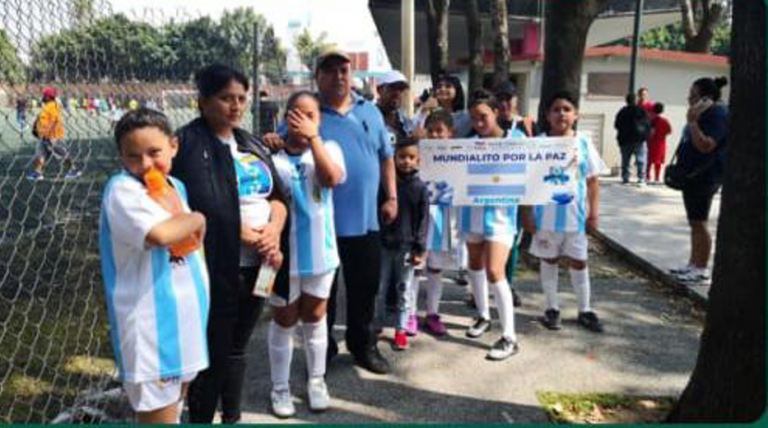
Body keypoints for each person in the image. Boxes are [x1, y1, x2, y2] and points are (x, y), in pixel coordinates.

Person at [172, 64, 290, 423]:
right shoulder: (187, 145)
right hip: (215, 267)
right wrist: (236, 231)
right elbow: (185, 204)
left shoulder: (250, 142)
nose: (236, 106)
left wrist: (273, 230)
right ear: (203, 101)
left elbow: (280, 198)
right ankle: (202, 417)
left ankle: (233, 415)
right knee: (211, 348)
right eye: (226, 98)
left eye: (241, 98)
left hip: (262, 264)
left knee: (239, 343)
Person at [99, 108, 209, 424]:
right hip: (153, 332)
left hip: (185, 324)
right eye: (133, 156)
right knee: (157, 416)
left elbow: (191, 243)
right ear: (120, 156)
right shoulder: (123, 189)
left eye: (154, 152)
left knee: (173, 409)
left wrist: (189, 224)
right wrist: (198, 218)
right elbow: (161, 234)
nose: (145, 164)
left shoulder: (175, 185)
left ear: (173, 146)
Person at [314, 50, 397, 375]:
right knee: (326, 292)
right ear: (317, 76)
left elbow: (386, 157)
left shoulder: (371, 113)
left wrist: (392, 196)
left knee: (365, 288)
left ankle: (363, 345)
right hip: (322, 224)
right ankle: (325, 347)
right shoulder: (307, 112)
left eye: (343, 69)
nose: (338, 76)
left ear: (352, 74)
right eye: (330, 70)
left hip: (366, 220)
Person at [268, 91, 346, 418]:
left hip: (320, 252)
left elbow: (331, 179)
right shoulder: (271, 154)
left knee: (315, 318)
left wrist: (313, 138)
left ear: (319, 120)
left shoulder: (328, 149)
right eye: (295, 114)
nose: (301, 120)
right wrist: (265, 146)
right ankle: (280, 388)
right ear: (286, 117)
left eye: (310, 115)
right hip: (282, 256)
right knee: (284, 321)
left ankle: (316, 380)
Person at [528, 91, 605, 333]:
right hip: (545, 218)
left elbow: (592, 181)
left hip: (575, 218)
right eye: (556, 109)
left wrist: (594, 213)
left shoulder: (583, 142)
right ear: (547, 115)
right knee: (548, 260)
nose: (561, 113)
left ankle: (585, 309)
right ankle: (552, 308)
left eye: (566, 109)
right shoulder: (538, 143)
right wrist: (527, 214)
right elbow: (529, 182)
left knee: (579, 262)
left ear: (575, 114)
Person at [460, 91, 521, 361]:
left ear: (496, 111)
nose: (479, 123)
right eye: (474, 118)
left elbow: (533, 177)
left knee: (495, 271)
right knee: (474, 265)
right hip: (472, 214)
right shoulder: (469, 144)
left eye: (483, 116)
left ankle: (510, 336)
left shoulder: (517, 140)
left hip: (501, 216)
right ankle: (483, 316)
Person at [669, 77, 729, 283]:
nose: (688, 99)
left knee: (700, 222)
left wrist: (693, 122)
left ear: (705, 99)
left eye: (693, 95)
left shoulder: (717, 114)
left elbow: (706, 145)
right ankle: (693, 264)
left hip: (705, 176)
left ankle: (701, 268)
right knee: (694, 222)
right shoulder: (705, 113)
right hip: (692, 176)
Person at [375, 136, 429, 350]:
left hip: (407, 248)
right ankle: (376, 324)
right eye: (402, 157)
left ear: (418, 161)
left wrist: (419, 248)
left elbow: (424, 221)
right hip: (384, 245)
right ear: (394, 158)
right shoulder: (387, 186)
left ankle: (400, 329)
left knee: (404, 289)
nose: (406, 161)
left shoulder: (420, 188)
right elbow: (378, 212)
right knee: (380, 287)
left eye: (411, 157)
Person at [492, 80, 537, 307]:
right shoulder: (486, 124)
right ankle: (482, 289)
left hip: (518, 196)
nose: (504, 103)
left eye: (508, 98)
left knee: (512, 243)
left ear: (516, 100)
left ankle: (508, 285)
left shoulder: (528, 126)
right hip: (489, 193)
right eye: (499, 99)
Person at [419, 110, 463, 336]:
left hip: (443, 219)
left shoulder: (459, 157)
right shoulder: (418, 156)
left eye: (440, 131)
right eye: (431, 131)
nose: (435, 136)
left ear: (450, 134)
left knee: (436, 269)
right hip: (419, 220)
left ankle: (432, 313)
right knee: (415, 269)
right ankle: (406, 315)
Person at [27, 86, 81, 181]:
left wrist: (48, 134)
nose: (43, 96)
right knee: (41, 154)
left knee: (62, 154)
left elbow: (54, 120)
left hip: (52, 136)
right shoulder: (49, 106)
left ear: (48, 97)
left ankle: (73, 171)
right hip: (44, 136)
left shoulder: (52, 106)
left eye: (44, 95)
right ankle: (37, 173)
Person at [415, 73, 473, 138]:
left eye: (448, 86)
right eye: (439, 87)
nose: (442, 89)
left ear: (457, 90)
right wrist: (424, 110)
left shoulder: (465, 117)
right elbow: (414, 130)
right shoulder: (428, 114)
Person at [614, 93, 651, 186]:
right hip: (639, 140)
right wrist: (646, 136)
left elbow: (616, 125)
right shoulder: (642, 111)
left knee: (625, 160)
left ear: (626, 101)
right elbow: (647, 125)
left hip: (625, 140)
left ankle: (625, 179)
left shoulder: (622, 111)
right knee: (641, 160)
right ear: (636, 100)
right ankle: (641, 179)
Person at [376, 70, 415, 140]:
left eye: (401, 89)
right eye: (392, 87)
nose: (397, 93)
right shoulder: (368, 118)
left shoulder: (405, 121)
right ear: (379, 90)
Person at [647, 103, 672, 184]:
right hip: (661, 144)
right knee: (658, 162)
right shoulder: (665, 121)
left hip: (650, 143)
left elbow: (648, 132)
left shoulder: (650, 120)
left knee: (648, 160)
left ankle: (647, 176)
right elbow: (669, 131)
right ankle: (657, 178)